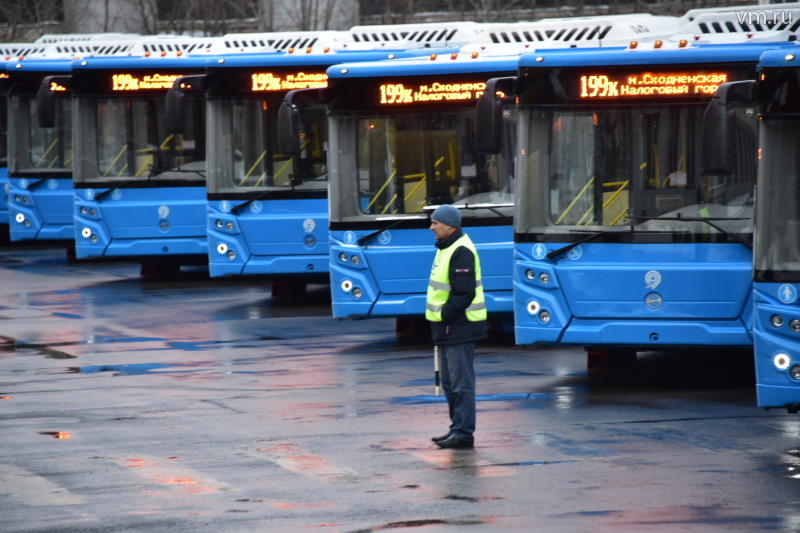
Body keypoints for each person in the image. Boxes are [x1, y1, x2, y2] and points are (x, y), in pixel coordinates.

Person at [426, 204, 487, 449]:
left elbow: (463, 293)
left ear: (449, 225)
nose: (431, 227)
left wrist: (445, 317)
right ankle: (457, 429)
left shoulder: (461, 250)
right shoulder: (447, 247)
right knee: (450, 383)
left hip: (458, 326)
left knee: (461, 384)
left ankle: (463, 433)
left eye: (435, 223)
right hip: (447, 326)